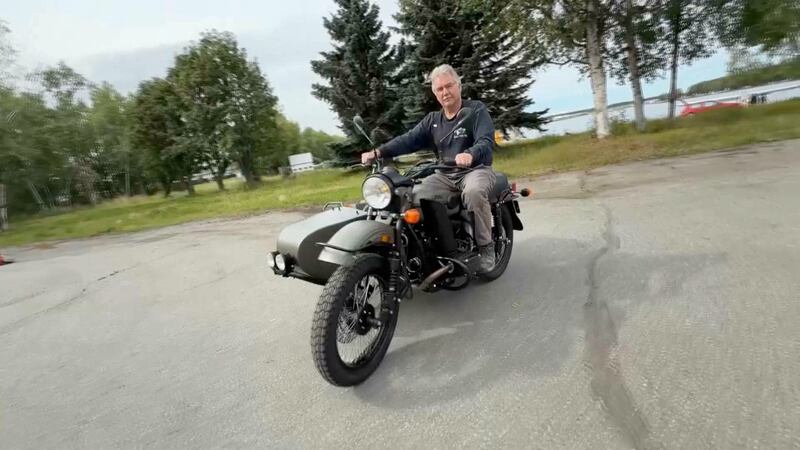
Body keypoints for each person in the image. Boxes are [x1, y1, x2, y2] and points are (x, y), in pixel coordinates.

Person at [361, 64, 497, 272]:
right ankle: (432, 249)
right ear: (434, 93)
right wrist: (379, 152)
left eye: (449, 86)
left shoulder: (475, 110)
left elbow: (485, 141)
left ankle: (486, 246)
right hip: (444, 174)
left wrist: (470, 153)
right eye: (440, 89)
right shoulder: (433, 121)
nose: (445, 92)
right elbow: (408, 140)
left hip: (475, 170)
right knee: (412, 195)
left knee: (474, 192)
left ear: (458, 86)